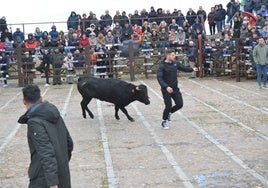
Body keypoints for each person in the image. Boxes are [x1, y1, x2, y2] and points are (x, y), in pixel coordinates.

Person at [18, 84, 73, 188]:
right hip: (62, 173)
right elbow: (69, 143)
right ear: (41, 98)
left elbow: (46, 152)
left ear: (24, 101)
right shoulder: (54, 114)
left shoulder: (34, 122)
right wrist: (62, 164)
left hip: (44, 178)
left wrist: (52, 183)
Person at [157, 49, 198, 129]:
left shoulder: (176, 63)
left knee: (180, 104)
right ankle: (164, 121)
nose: (174, 56)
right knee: (168, 106)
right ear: (168, 56)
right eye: (172, 55)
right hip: (166, 89)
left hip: (175, 89)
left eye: (174, 55)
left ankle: (169, 113)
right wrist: (166, 87)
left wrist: (192, 69)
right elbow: (159, 78)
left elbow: (183, 68)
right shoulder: (162, 66)